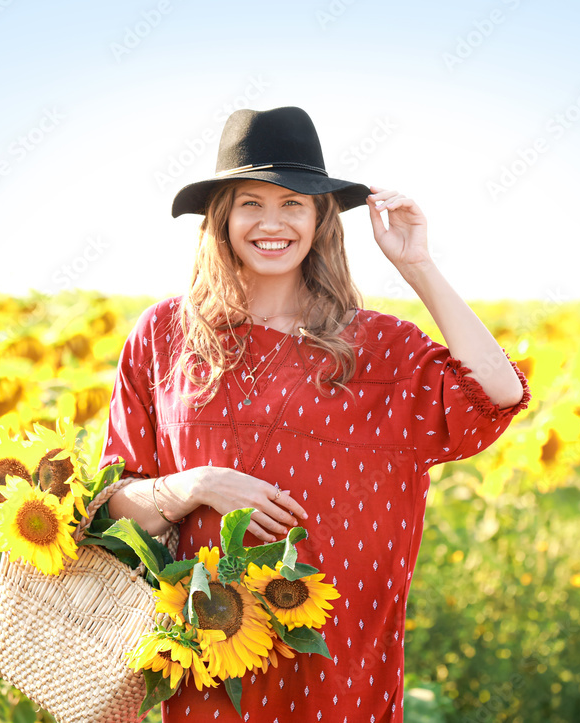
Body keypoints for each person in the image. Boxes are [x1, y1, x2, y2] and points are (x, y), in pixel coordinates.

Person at [98, 106, 531, 722]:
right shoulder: (163, 336)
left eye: (293, 203)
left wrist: (417, 266)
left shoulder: (379, 346)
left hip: (339, 669)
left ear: (321, 218)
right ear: (221, 219)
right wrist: (196, 486)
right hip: (213, 660)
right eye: (250, 203)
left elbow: (497, 393)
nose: (270, 223)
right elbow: (113, 502)